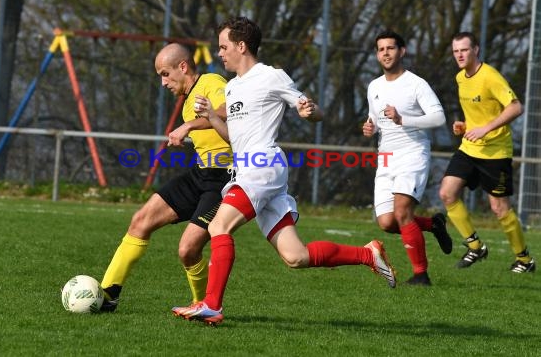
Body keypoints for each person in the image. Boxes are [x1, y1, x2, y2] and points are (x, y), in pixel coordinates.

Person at [171, 17, 397, 326]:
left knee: (218, 227)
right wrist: (212, 115)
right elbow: (233, 139)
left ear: (241, 46)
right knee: (296, 257)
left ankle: (211, 304)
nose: (220, 53)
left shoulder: (271, 76)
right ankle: (368, 254)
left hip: (262, 166)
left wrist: (309, 111)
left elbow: (313, 110)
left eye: (223, 47)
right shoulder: (234, 87)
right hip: (249, 169)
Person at [99, 43, 234, 311]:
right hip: (201, 174)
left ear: (182, 67)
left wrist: (189, 125)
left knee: (187, 250)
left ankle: (203, 304)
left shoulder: (210, 81)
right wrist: (189, 124)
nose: (163, 82)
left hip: (225, 179)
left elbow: (228, 111)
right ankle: (108, 295)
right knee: (140, 220)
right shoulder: (187, 103)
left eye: (164, 74)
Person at [439, 31, 535, 273]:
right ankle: (475, 246)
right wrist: (465, 126)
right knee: (447, 193)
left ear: (476, 50)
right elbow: (478, 115)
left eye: (464, 50)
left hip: (495, 152)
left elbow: (516, 107)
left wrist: (486, 129)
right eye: (456, 51)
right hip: (470, 148)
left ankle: (524, 260)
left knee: (499, 208)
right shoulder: (460, 77)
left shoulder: (490, 76)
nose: (459, 55)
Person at [362, 30, 451, 286]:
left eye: (390, 48)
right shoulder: (375, 86)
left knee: (402, 211)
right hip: (386, 156)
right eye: (381, 49)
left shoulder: (416, 84)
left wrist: (405, 119)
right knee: (388, 222)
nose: (385, 53)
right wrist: (370, 127)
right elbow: (374, 119)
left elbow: (438, 117)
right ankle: (432, 225)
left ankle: (421, 274)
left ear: (402, 51)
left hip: (413, 153)